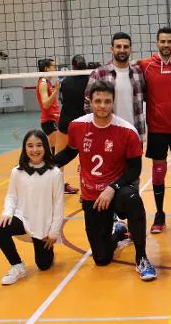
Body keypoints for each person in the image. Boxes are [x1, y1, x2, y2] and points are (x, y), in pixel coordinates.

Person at [55, 80, 157, 280]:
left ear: (113, 102)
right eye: (98, 101)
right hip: (92, 197)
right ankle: (118, 231)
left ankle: (141, 257)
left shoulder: (127, 131)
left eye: (107, 101)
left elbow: (135, 169)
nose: (102, 105)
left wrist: (113, 187)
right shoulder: (77, 126)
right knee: (101, 259)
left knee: (133, 199)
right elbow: (69, 152)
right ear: (90, 102)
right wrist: (43, 163)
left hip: (116, 191)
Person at [0, 130, 64, 285]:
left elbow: (58, 205)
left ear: (45, 147)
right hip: (23, 219)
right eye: (30, 146)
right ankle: (17, 266)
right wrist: (7, 212)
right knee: (0, 228)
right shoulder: (17, 172)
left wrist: (53, 233)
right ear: (25, 149)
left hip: (43, 225)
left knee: (44, 265)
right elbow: (11, 196)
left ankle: (47, 251)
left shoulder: (55, 173)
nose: (34, 150)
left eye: (39, 145)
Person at [139, 27, 171, 233]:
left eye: (170, 41)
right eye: (163, 41)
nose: (166, 45)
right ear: (157, 42)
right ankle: (159, 214)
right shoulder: (146, 65)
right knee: (158, 172)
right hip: (157, 127)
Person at [84, 32, 146, 143]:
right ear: (112, 49)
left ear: (130, 49)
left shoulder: (138, 73)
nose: (122, 50)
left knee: (135, 161)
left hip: (134, 134)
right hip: (108, 136)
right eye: (118, 46)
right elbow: (88, 105)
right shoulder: (99, 74)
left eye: (126, 47)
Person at [39, 57, 80, 195]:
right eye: (53, 66)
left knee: (55, 155)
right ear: (46, 68)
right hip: (49, 122)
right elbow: (45, 104)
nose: (55, 68)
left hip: (54, 121)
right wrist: (56, 91)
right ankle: (56, 184)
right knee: (59, 155)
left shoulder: (47, 82)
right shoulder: (43, 83)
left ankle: (55, 183)